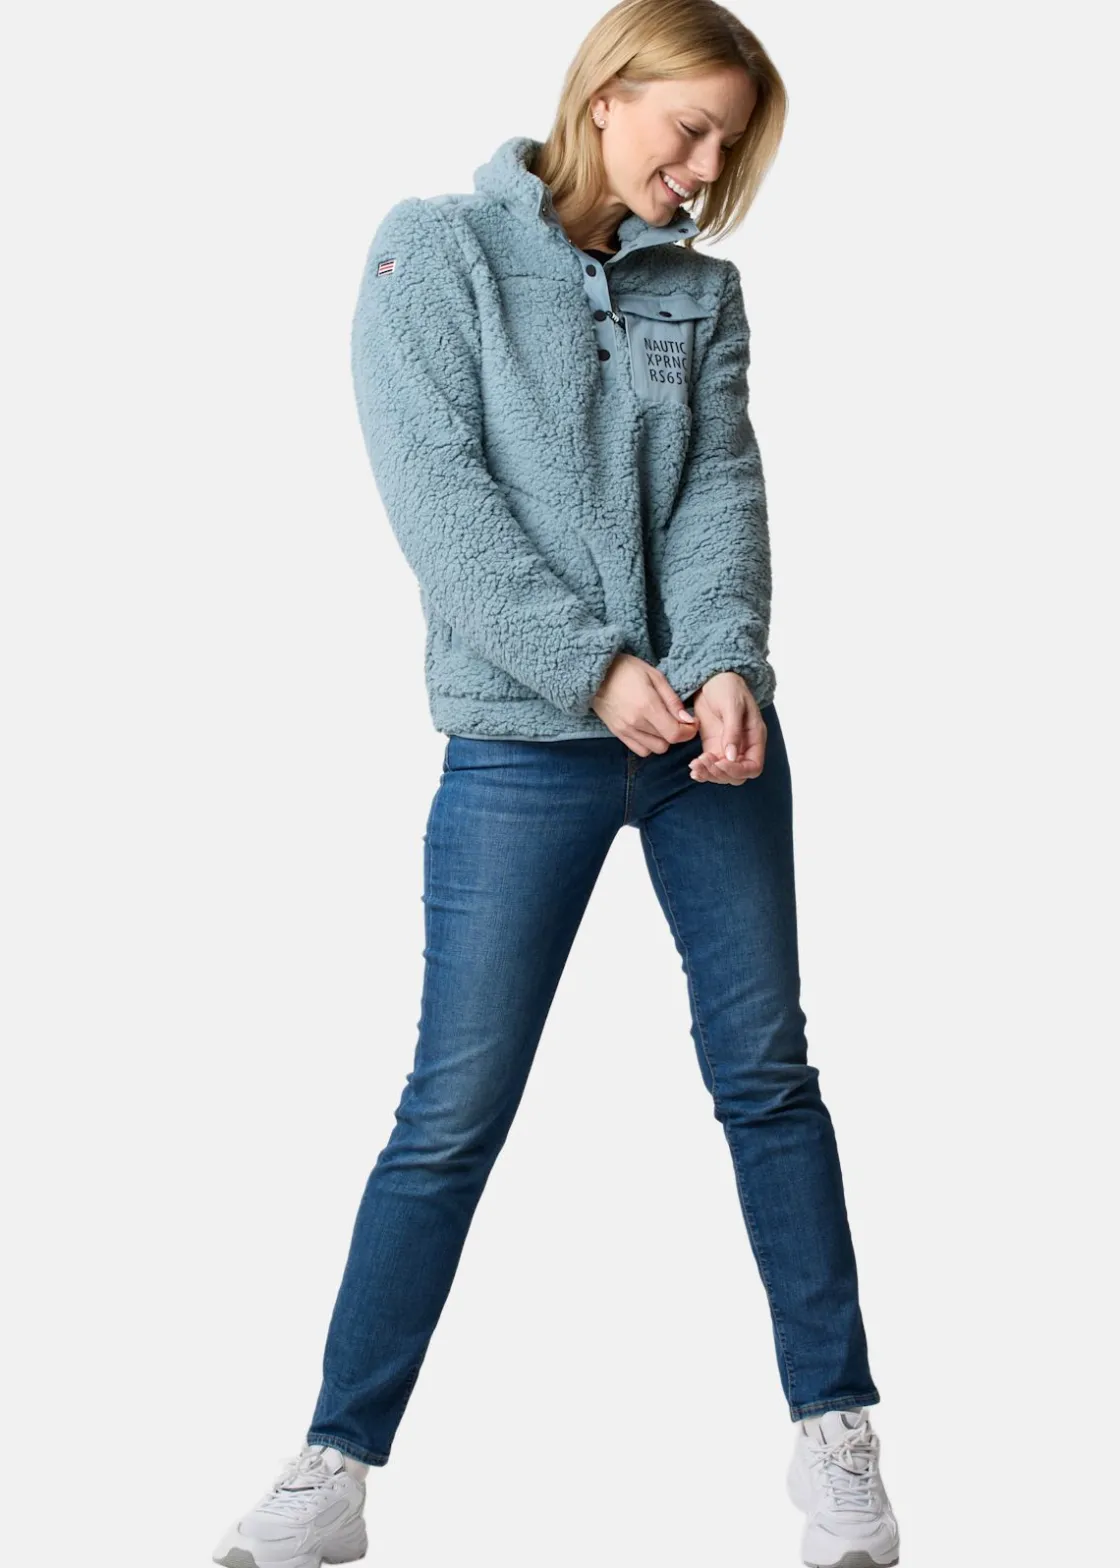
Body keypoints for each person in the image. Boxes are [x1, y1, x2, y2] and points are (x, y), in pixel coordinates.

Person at [212, 3, 901, 1566]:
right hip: (525, 749)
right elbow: (437, 498)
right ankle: (333, 1466)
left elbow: (720, 487)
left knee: (768, 1080)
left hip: (709, 749)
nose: (706, 169)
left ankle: (838, 1438)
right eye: (691, 129)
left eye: (731, 145)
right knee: (451, 1109)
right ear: (606, 95)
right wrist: (593, 669)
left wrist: (726, 664)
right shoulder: (435, 250)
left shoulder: (702, 294)